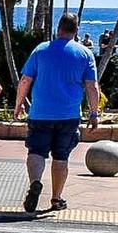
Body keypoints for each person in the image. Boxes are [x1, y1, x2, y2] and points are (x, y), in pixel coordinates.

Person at [13, 13, 101, 213]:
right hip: (69, 115)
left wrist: (18, 105)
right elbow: (92, 86)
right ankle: (56, 198)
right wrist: (94, 114)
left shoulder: (41, 50)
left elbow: (25, 80)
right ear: (76, 30)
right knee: (61, 157)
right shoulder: (84, 54)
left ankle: (35, 182)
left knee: (36, 152)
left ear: (58, 28)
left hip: (40, 114)